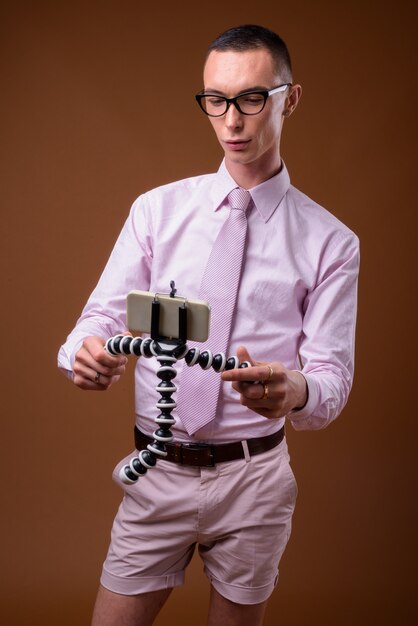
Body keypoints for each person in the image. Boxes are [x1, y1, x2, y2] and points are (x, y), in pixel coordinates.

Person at [58, 24, 359, 626]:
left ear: (289, 99)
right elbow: (98, 318)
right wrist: (84, 352)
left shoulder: (332, 242)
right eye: (215, 100)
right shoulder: (156, 210)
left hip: (256, 480)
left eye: (251, 98)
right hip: (156, 469)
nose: (232, 121)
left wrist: (294, 390)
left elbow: (330, 380)